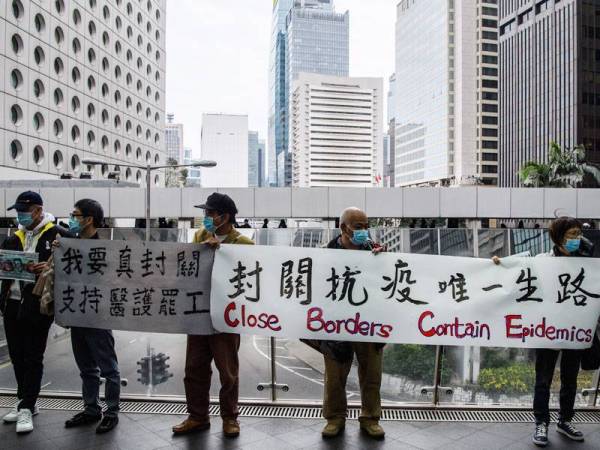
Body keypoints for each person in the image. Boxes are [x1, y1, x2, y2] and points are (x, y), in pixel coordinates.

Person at [493, 217, 594, 447]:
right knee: (543, 381)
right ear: (558, 238)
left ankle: (565, 421)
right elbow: (519, 271)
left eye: (579, 234)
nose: (577, 239)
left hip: (574, 332)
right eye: (572, 235)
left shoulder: (588, 263)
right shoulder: (543, 261)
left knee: (570, 380)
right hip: (547, 332)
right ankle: (541, 423)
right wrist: (499, 263)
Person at [172, 193, 253, 439]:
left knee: (227, 371)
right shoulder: (198, 237)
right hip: (198, 314)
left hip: (226, 318)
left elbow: (250, 280)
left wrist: (223, 252)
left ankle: (230, 418)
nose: (205, 218)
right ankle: (197, 416)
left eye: (209, 214)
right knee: (194, 368)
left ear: (224, 217)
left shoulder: (243, 245)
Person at [0, 191, 64, 434]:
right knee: (16, 355)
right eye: (18, 212)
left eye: (24, 211)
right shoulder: (14, 236)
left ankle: (28, 405)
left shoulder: (56, 235)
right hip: (12, 302)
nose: (20, 216)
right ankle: (23, 401)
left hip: (38, 303)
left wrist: (47, 266)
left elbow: (70, 264)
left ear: (38, 210)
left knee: (33, 355)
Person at [320, 207, 386, 440]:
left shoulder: (375, 251)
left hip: (369, 323)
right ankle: (335, 418)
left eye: (366, 226)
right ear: (343, 228)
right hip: (336, 324)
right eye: (358, 227)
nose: (364, 231)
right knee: (335, 375)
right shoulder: (325, 254)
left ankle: (370, 418)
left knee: (371, 374)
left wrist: (383, 261)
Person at [63, 199, 121, 434]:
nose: (71, 219)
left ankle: (112, 412)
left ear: (88, 219)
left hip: (98, 316)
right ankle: (91, 409)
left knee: (109, 369)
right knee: (86, 368)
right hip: (77, 314)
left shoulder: (106, 248)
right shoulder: (68, 245)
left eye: (75, 215)